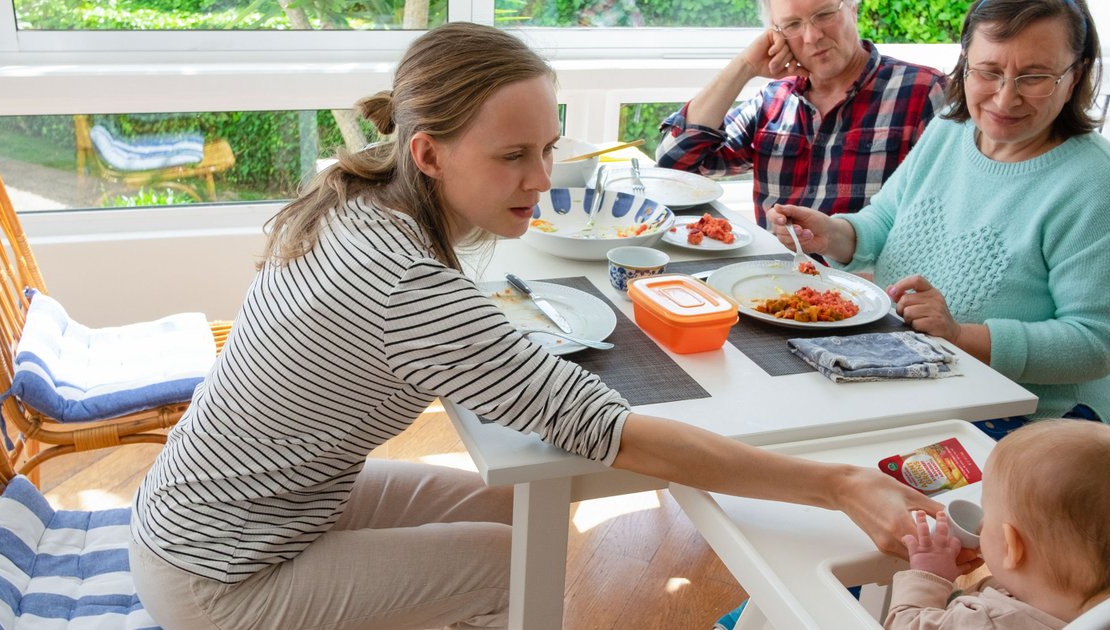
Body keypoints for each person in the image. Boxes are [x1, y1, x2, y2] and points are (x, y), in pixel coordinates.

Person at [128, 22, 940, 630]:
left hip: (248, 503)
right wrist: (838, 482)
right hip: (217, 570)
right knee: (515, 566)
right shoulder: (403, 281)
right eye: (513, 156)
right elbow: (611, 433)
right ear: (429, 153)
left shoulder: (359, 198)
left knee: (526, 511)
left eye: (547, 149)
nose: (543, 180)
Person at [767, 0, 1110, 435]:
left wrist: (957, 335)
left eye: (1035, 77)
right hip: (918, 372)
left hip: (1042, 416)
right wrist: (831, 234)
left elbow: (1097, 343)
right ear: (965, 66)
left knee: (830, 465)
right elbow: (885, 220)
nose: (1005, 97)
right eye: (988, 72)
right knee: (777, 414)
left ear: (1075, 77)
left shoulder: (1104, 189)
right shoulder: (950, 130)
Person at [655, 0, 947, 226]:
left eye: (824, 14)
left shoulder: (923, 91)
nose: (812, 36)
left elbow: (946, 213)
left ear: (853, 8)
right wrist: (744, 66)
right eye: (792, 24)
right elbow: (675, 164)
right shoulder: (774, 100)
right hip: (768, 290)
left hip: (867, 293)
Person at [885, 419, 1110, 628]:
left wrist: (929, 577)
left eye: (987, 513)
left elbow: (905, 624)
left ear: (1013, 548)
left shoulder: (988, 623)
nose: (981, 524)